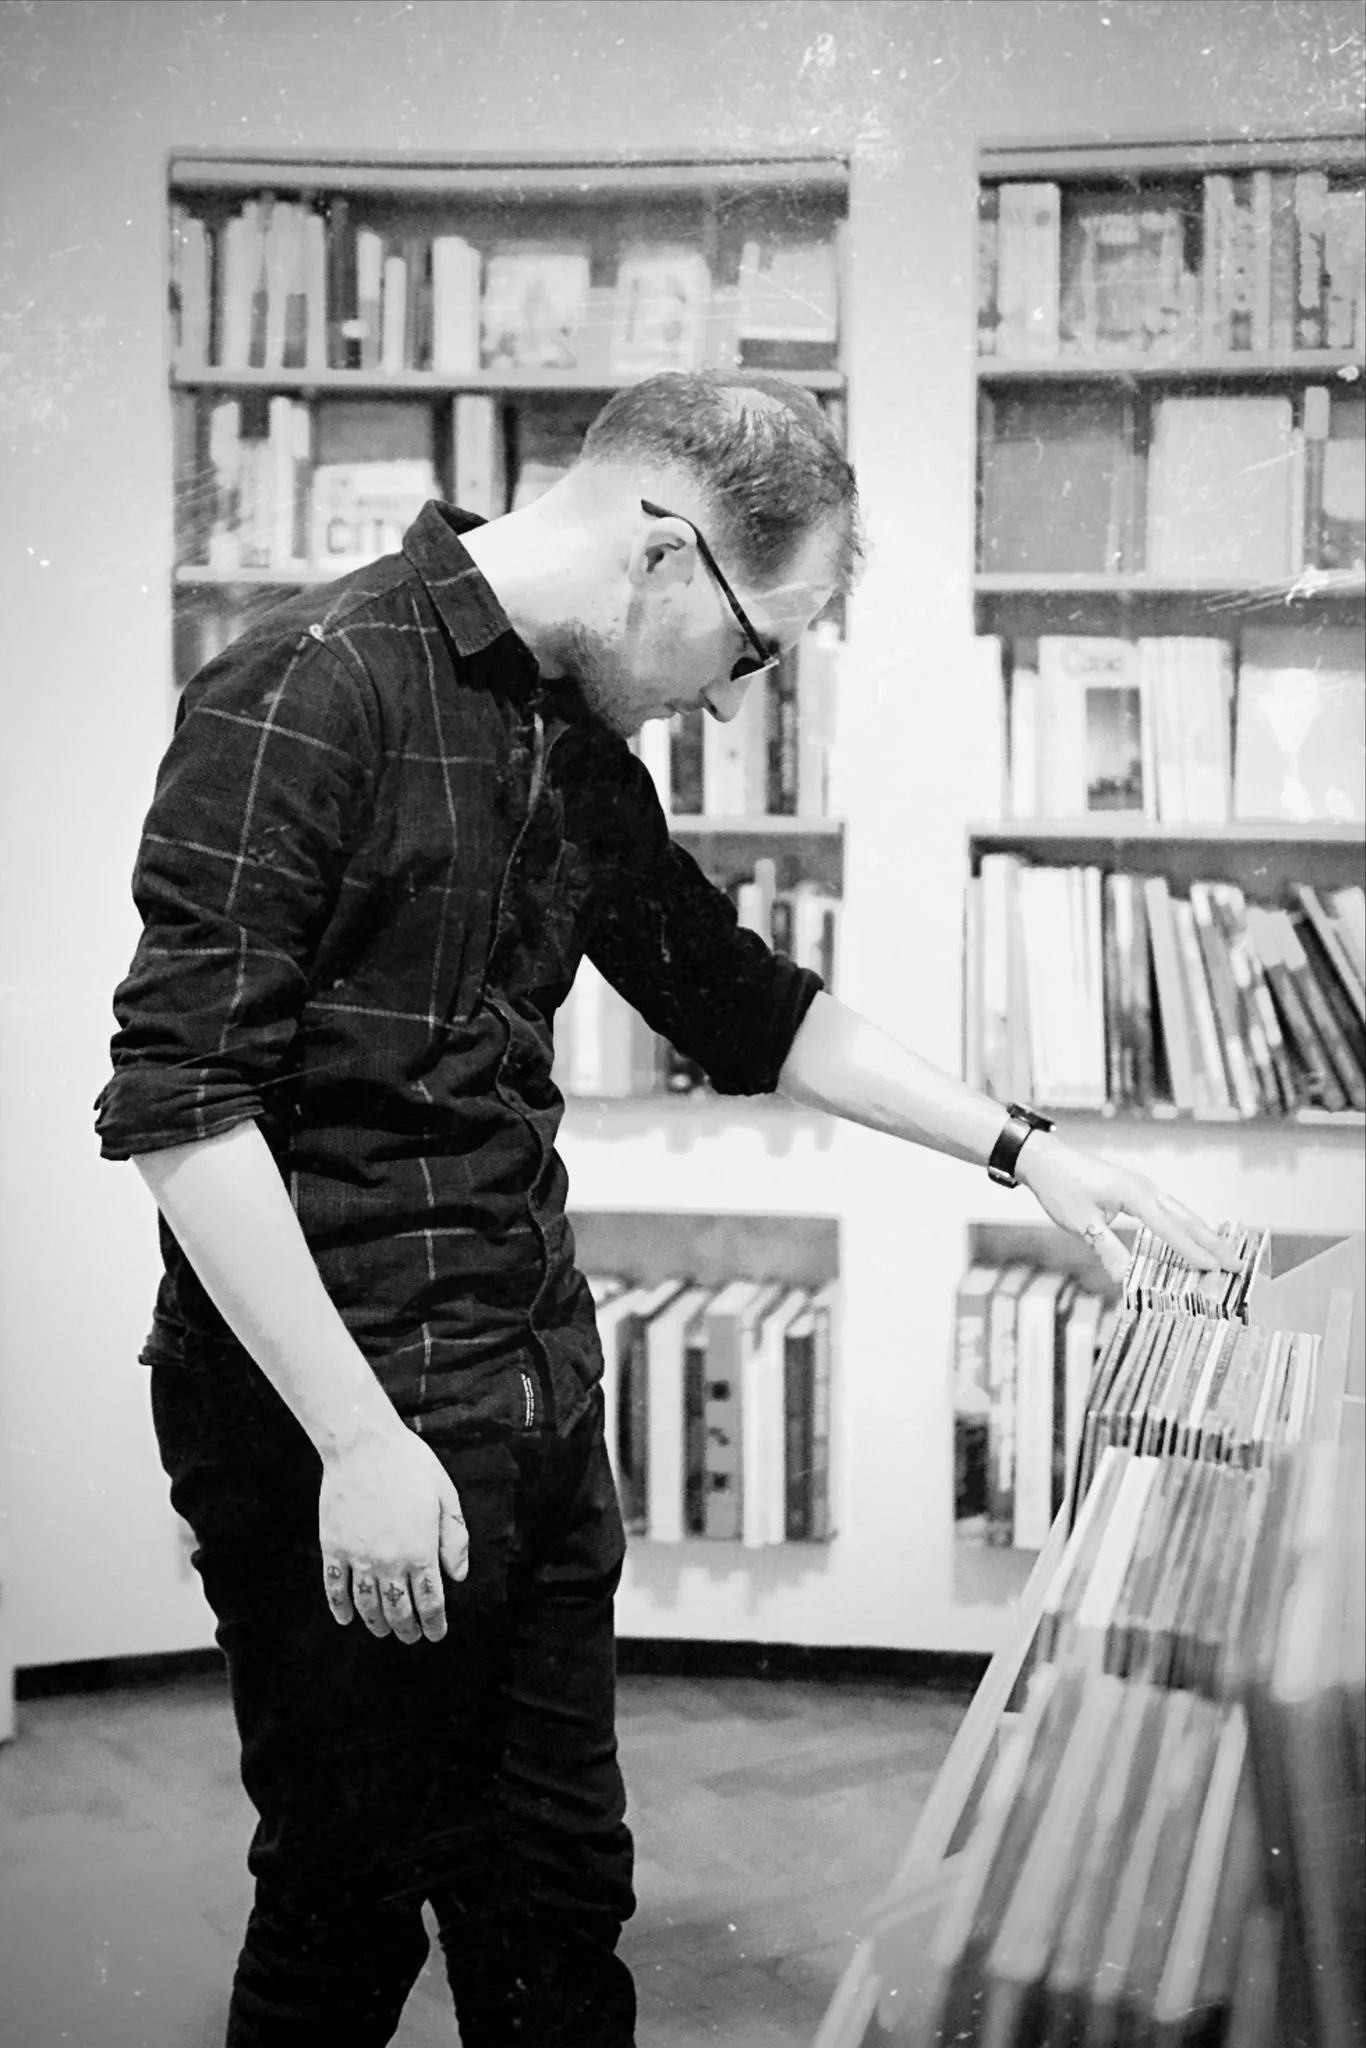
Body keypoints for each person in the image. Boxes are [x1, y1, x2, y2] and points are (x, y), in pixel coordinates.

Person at [95, 369, 1228, 2047]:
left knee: (555, 1897)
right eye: (753, 650)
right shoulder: (305, 684)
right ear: (662, 557)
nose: (726, 699)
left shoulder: (570, 741)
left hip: (530, 1386)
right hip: (333, 1414)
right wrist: (357, 1443)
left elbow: (736, 997)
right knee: (343, 1901)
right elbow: (183, 1110)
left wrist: (1028, 1150)